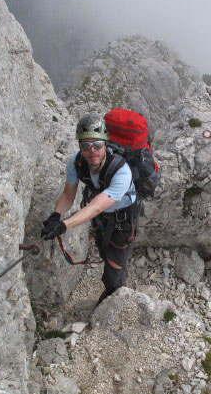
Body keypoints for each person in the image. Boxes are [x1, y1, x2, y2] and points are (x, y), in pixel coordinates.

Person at [41, 113, 141, 304]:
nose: (92, 150)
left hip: (123, 217)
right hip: (102, 215)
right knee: (104, 249)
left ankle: (114, 294)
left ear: (106, 144)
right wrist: (56, 215)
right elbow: (68, 195)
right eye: (86, 146)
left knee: (114, 269)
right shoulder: (76, 162)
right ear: (80, 146)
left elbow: (95, 207)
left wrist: (63, 226)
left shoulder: (121, 171)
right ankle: (111, 273)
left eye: (97, 144)